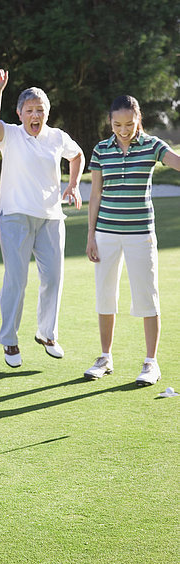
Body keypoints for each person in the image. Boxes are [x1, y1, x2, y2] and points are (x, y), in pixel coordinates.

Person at [0, 68, 85, 368]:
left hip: (51, 217)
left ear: (47, 113)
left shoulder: (57, 137)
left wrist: (74, 183)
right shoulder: (11, 135)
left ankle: (47, 334)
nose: (35, 115)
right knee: (16, 280)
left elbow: (77, 155)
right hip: (15, 216)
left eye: (40, 110)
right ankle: (9, 341)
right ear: (20, 113)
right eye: (29, 110)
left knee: (53, 278)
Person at [85, 95, 180, 386]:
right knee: (105, 295)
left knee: (146, 296)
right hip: (106, 233)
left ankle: (151, 363)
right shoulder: (101, 149)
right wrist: (91, 235)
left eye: (129, 123)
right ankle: (105, 357)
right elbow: (96, 194)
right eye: (117, 124)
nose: (123, 130)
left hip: (141, 234)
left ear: (138, 119)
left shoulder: (153, 145)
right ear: (110, 121)